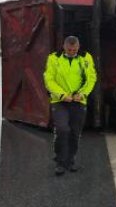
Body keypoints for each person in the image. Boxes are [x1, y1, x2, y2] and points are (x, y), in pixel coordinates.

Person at [43, 36, 97, 176]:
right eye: (69, 49)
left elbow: (91, 78)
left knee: (74, 132)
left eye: (74, 49)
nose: (72, 51)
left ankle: (70, 160)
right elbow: (49, 79)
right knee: (62, 129)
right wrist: (61, 95)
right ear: (64, 47)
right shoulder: (54, 58)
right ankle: (60, 162)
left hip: (78, 100)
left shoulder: (86, 58)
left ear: (78, 47)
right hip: (60, 101)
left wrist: (83, 94)